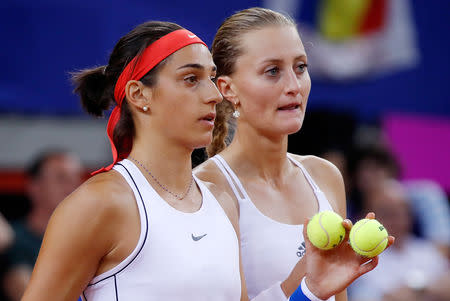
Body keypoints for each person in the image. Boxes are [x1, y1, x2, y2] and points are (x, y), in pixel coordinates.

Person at [22, 19, 390, 301]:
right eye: (191, 79)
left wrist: (308, 289)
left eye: (212, 78)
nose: (214, 95)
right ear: (139, 95)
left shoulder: (220, 200)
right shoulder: (100, 202)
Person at [194, 7, 393, 301]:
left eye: (300, 67)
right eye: (272, 71)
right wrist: (308, 284)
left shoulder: (325, 175)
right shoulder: (206, 190)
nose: (293, 86)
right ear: (228, 88)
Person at [348, 179, 450, 301]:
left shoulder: (427, 251)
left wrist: (415, 289)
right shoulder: (361, 259)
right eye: (387, 213)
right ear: (370, 217)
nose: (396, 220)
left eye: (401, 212)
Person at [1, 149, 82, 301]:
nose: (72, 186)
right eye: (61, 178)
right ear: (34, 187)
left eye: (75, 178)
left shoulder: (87, 241)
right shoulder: (12, 240)